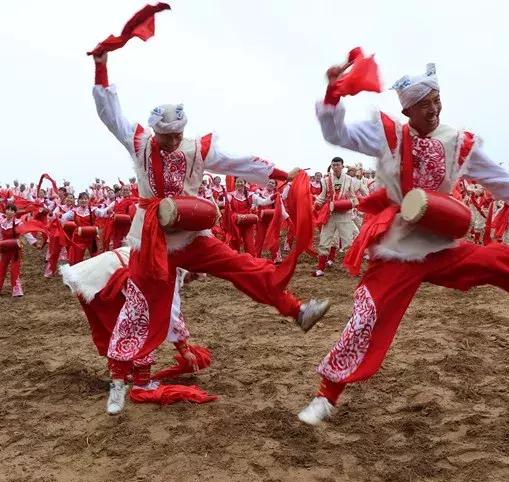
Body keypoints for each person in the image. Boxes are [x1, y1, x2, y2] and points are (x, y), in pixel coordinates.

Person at [297, 59, 509, 425]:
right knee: (366, 316)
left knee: (505, 260)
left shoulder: (458, 142)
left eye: (437, 100)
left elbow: (497, 178)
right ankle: (326, 397)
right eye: (424, 104)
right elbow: (336, 134)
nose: (433, 109)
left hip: (442, 244)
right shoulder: (388, 135)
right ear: (407, 109)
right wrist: (332, 93)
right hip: (399, 249)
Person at [61, 51, 330, 414]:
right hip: (151, 242)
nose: (173, 142)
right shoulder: (139, 142)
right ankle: (121, 381)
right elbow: (110, 114)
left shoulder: (196, 149)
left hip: (190, 236)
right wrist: (101, 66)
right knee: (141, 308)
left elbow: (239, 162)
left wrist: (281, 174)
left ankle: (297, 310)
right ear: (156, 130)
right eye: (167, 136)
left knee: (242, 264)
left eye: (177, 135)